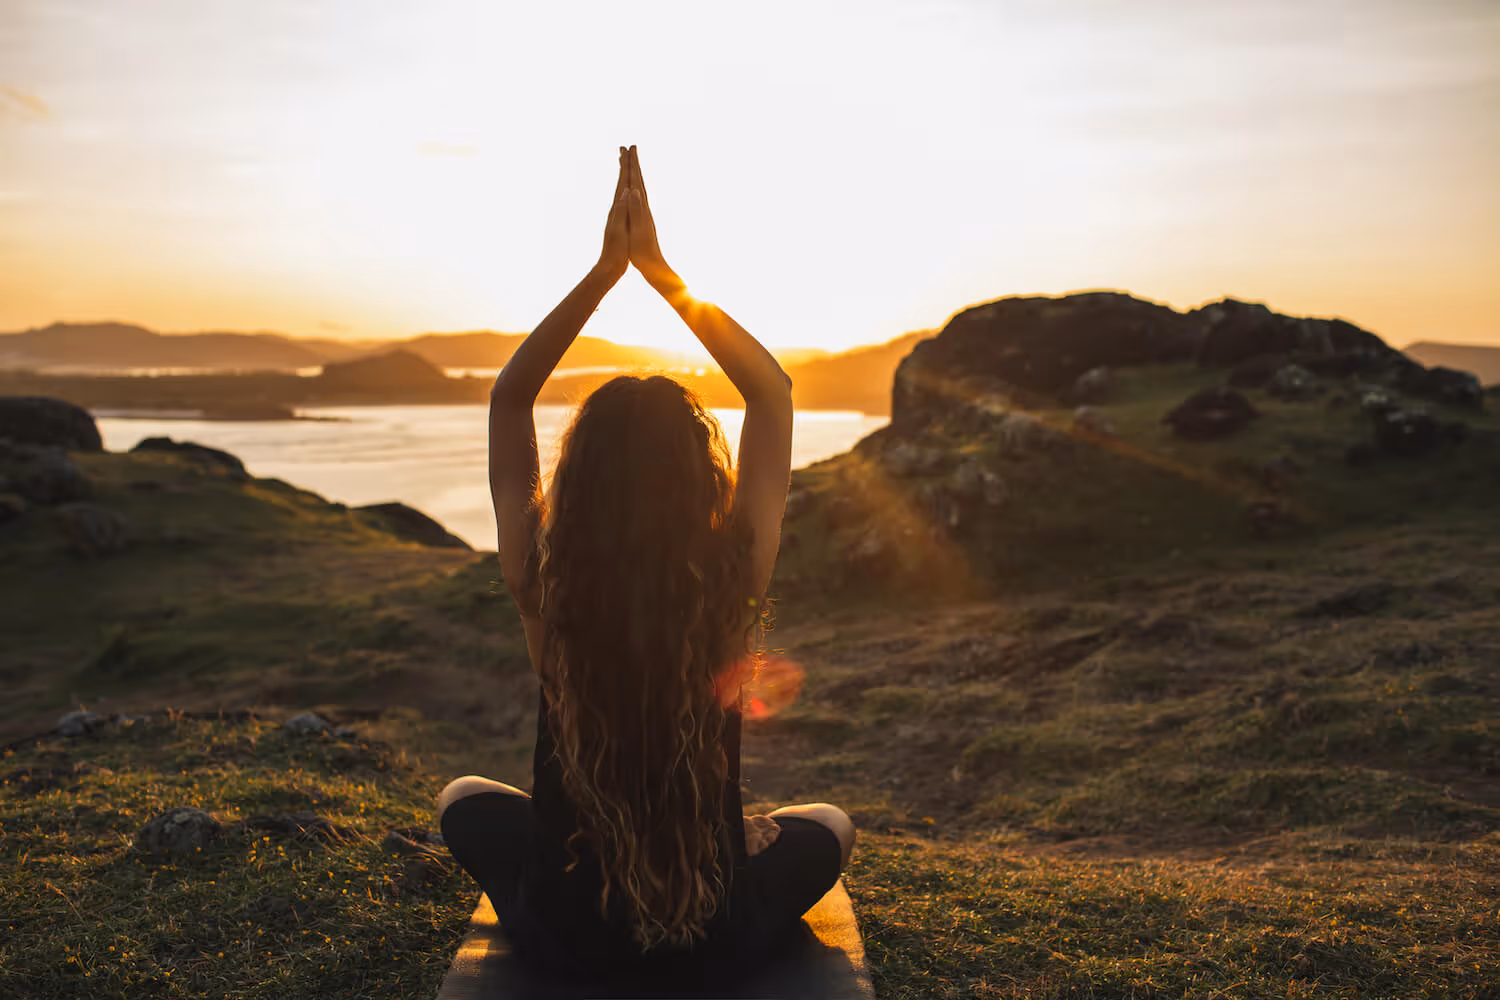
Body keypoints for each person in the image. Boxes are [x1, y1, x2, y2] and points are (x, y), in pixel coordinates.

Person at [435, 146, 856, 978]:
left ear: (580, 479)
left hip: (566, 935)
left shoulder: (545, 589)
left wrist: (604, 274)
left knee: (463, 801)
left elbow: (510, 398)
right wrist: (664, 277)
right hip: (715, 937)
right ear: (696, 475)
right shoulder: (732, 580)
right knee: (827, 822)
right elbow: (771, 392)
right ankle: (734, 841)